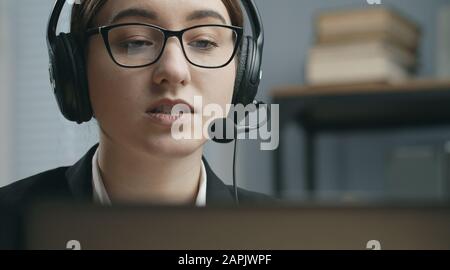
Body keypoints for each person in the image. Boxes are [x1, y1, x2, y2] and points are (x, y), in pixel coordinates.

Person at [0, 0, 271, 207]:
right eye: (136, 42)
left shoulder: (288, 237)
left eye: (203, 42)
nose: (174, 71)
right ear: (76, 70)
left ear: (244, 69)